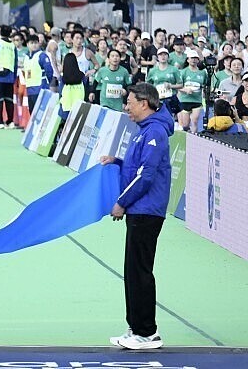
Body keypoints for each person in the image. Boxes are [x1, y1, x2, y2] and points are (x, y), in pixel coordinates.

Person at [100, 83, 174, 350]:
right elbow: (136, 167)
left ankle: (146, 332)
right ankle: (136, 327)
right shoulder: (144, 130)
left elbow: (146, 175)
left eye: (129, 103)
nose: (126, 107)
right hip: (140, 209)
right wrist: (117, 162)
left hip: (146, 210)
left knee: (139, 271)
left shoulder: (154, 132)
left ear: (144, 103)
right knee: (132, 271)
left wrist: (122, 202)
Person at [0, 26, 19, 129]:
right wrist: (14, 76)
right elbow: (15, 62)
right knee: (9, 99)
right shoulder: (12, 46)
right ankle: (10, 121)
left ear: (0, 32)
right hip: (10, 75)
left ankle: (0, 122)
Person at [22, 34, 54, 114]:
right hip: (30, 89)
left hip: (40, 88)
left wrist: (46, 83)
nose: (34, 45)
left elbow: (49, 71)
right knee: (32, 112)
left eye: (36, 43)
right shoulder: (26, 57)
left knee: (40, 113)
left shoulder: (42, 56)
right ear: (27, 44)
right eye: (32, 43)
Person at [177, 50, 208, 133]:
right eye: (192, 58)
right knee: (185, 125)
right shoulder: (183, 72)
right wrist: (185, 90)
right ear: (188, 60)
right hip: (185, 100)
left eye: (195, 58)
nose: (194, 60)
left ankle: (194, 137)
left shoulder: (202, 72)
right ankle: (187, 135)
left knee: (194, 121)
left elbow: (206, 85)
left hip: (197, 100)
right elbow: (178, 86)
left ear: (198, 60)